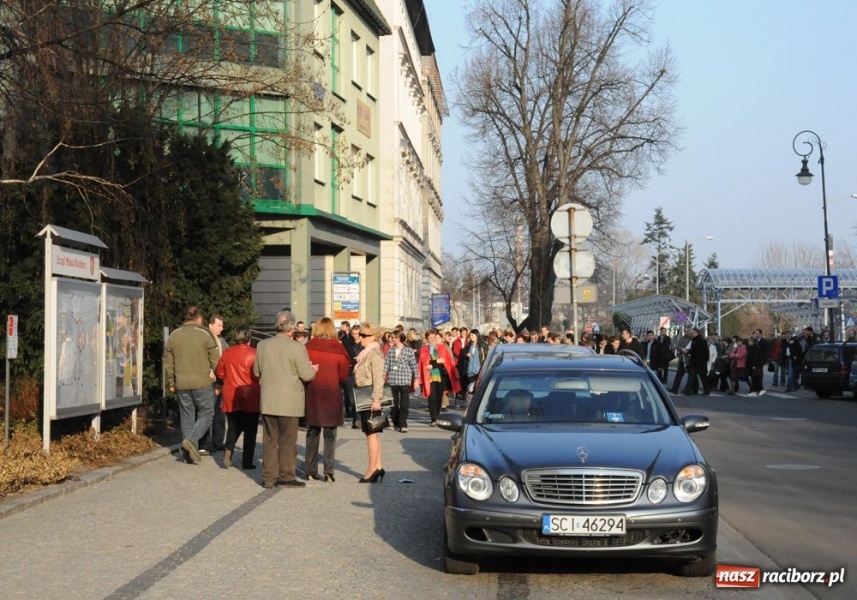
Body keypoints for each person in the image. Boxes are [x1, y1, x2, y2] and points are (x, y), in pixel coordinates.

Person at [253, 309, 317, 489]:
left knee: (269, 441)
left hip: (269, 400)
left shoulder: (262, 345)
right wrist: (313, 369)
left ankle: (269, 477)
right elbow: (306, 375)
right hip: (290, 402)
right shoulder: (297, 347)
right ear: (292, 328)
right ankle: (286, 476)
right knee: (287, 441)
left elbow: (256, 371)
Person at [165, 306, 221, 464]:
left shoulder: (174, 335)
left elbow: (168, 363)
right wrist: (219, 381)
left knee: (187, 417)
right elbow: (216, 361)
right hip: (202, 382)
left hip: (181, 384)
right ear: (199, 319)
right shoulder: (205, 334)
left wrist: (171, 382)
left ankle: (188, 455)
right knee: (207, 413)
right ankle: (191, 440)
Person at [304, 317, 351, 482]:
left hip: (312, 392)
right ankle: (329, 471)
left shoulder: (308, 347)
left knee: (312, 431)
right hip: (331, 392)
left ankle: (310, 470)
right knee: (330, 433)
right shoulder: (339, 349)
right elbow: (343, 375)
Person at [215, 326, 260, 470]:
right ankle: (247, 462)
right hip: (251, 395)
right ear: (249, 338)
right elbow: (259, 373)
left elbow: (220, 373)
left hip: (231, 394)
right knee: (250, 431)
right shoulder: (255, 353)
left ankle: (229, 448)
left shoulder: (227, 353)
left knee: (233, 426)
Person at [352, 323, 387, 483]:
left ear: (374, 337)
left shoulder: (375, 354)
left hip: (371, 398)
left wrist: (376, 399)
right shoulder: (366, 352)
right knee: (373, 433)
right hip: (367, 397)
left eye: (364, 335)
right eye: (360, 334)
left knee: (371, 434)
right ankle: (378, 466)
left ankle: (372, 469)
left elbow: (379, 379)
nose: (361, 337)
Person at [418, 328, 461, 426]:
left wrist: (433, 364)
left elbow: (444, 362)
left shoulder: (442, 348)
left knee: (438, 397)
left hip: (441, 376)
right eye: (430, 338)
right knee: (432, 397)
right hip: (429, 377)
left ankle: (436, 415)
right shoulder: (424, 350)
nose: (432, 339)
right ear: (427, 339)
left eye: (434, 337)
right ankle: (433, 418)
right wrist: (436, 362)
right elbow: (425, 364)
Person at [199, 314, 228, 455]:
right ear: (210, 325)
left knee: (219, 412)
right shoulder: (203, 340)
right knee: (206, 413)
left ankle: (218, 441)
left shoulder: (222, 342)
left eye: (222, 325)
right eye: (219, 325)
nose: (222, 328)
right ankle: (204, 443)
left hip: (219, 382)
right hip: (207, 382)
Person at [384, 331, 420, 432]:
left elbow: (413, 365)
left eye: (395, 337)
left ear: (400, 338)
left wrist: (416, 379)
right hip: (392, 380)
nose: (393, 339)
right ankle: (396, 422)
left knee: (404, 404)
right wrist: (382, 376)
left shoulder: (408, 350)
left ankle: (403, 424)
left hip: (404, 379)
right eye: (392, 337)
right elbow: (386, 364)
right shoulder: (391, 350)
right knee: (394, 405)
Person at [342, 323, 362, 428]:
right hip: (350, 373)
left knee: (361, 396)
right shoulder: (346, 342)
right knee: (352, 398)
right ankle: (356, 418)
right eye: (353, 334)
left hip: (362, 372)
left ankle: (359, 419)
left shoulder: (365, 344)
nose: (355, 336)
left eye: (357, 334)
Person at [683, 328, 711, 395]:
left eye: (692, 333)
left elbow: (704, 351)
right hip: (695, 361)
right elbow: (694, 350)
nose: (691, 334)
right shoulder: (694, 340)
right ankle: (690, 390)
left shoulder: (701, 341)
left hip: (700, 361)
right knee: (693, 376)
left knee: (702, 377)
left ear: (696, 333)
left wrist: (688, 352)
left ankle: (705, 390)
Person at [462, 328, 489, 395]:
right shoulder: (469, 345)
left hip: (479, 370)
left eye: (472, 335)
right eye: (470, 335)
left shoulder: (482, 345)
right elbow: (463, 354)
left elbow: (486, 356)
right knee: (470, 389)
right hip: (470, 370)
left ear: (477, 335)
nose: (471, 337)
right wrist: (466, 354)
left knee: (478, 389)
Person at [670, 327, 693, 394]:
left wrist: (687, 350)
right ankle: (674, 389)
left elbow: (694, 347)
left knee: (692, 376)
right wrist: (681, 349)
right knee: (679, 375)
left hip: (690, 360)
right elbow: (678, 346)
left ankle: (690, 390)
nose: (686, 332)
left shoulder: (692, 339)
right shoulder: (682, 338)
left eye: (688, 331)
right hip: (682, 359)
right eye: (685, 331)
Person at [747, 329, 767, 397]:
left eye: (757, 333)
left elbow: (757, 356)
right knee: (754, 377)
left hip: (757, 363)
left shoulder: (758, 346)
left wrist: (754, 364)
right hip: (752, 364)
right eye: (755, 333)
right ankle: (754, 391)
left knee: (757, 377)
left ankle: (760, 389)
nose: (756, 334)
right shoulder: (752, 346)